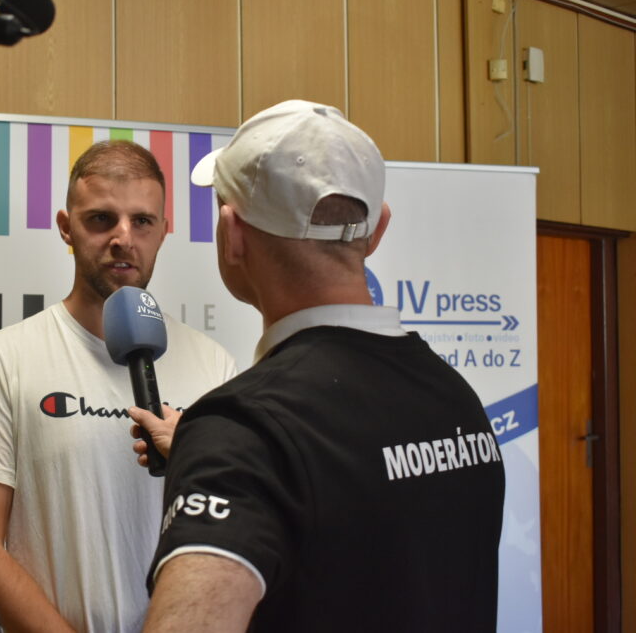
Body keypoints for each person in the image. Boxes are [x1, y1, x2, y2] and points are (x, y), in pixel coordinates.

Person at [130, 101, 506, 632]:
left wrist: (226, 453)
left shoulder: (243, 430)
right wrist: (215, 455)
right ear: (378, 229)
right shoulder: (454, 397)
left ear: (232, 233)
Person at [0, 139, 237, 632]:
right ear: (66, 226)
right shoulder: (4, 359)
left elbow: (232, 539)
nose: (123, 237)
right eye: (101, 219)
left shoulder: (215, 366)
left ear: (164, 231)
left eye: (142, 221)